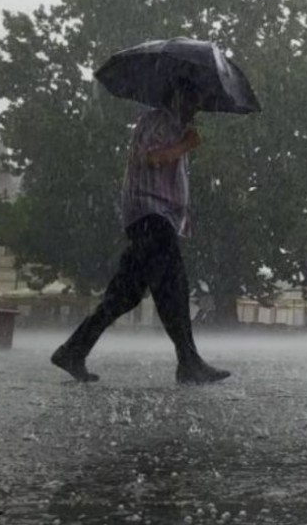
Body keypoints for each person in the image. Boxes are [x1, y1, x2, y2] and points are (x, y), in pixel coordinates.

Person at [51, 78, 230, 384]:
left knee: (125, 295)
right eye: (192, 101)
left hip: (156, 218)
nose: (195, 109)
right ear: (177, 98)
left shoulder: (171, 126)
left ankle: (73, 350)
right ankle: (188, 362)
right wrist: (186, 144)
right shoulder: (158, 121)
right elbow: (150, 158)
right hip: (150, 216)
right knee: (173, 287)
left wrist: (182, 215)